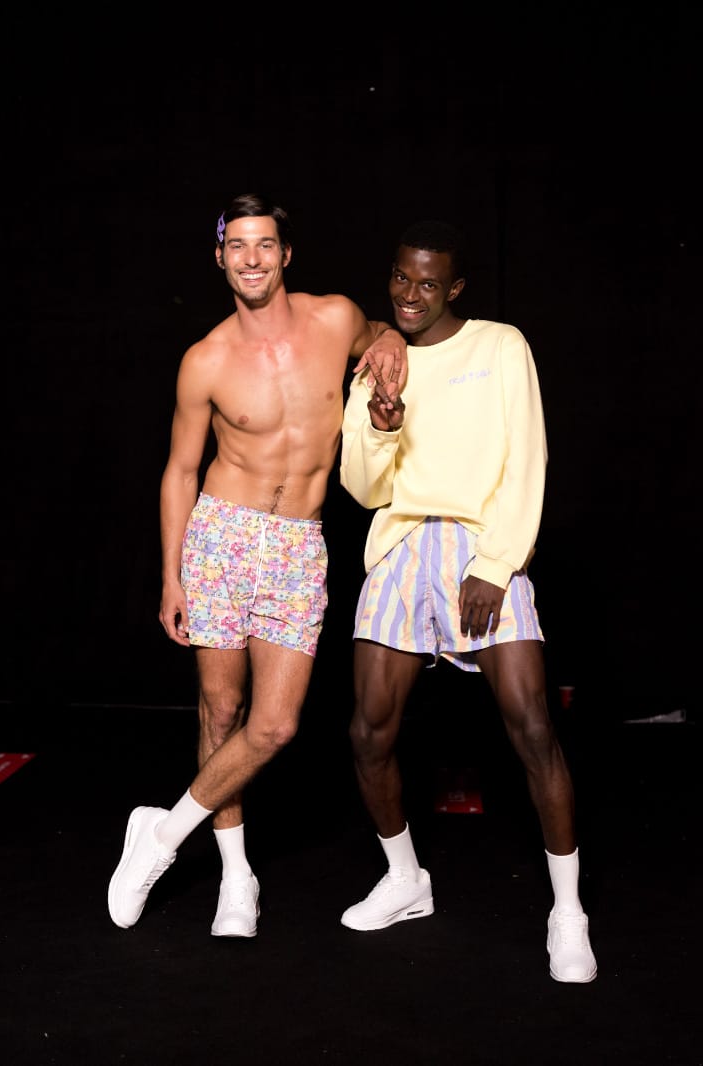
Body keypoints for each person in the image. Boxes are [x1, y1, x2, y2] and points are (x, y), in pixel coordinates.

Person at [108, 193, 406, 938]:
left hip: (299, 543)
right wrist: (172, 575)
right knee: (222, 712)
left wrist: (389, 343)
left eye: (264, 244)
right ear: (220, 257)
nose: (251, 258)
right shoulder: (205, 359)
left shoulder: (334, 319)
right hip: (220, 536)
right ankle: (236, 879)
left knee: (274, 725)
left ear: (285, 253)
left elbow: (378, 335)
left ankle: (160, 833)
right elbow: (180, 471)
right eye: (237, 245)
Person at [338, 219, 597, 983]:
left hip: (485, 545)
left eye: (428, 283)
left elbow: (527, 457)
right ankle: (405, 879)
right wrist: (382, 426)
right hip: (401, 546)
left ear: (454, 287)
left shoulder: (500, 345)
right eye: (401, 278)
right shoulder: (378, 365)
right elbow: (364, 488)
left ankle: (568, 911)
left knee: (533, 726)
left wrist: (496, 562)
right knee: (368, 732)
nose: (410, 295)